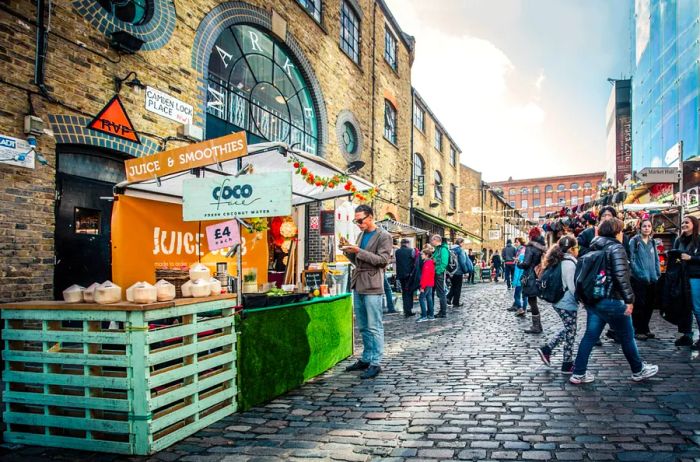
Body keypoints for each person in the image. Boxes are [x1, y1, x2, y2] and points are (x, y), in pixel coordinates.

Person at [570, 218, 659, 384]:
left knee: (589, 336)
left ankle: (578, 373)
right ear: (616, 231)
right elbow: (621, 277)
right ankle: (638, 369)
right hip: (612, 299)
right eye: (621, 230)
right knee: (627, 336)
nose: (622, 234)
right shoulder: (616, 248)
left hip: (595, 301)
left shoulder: (593, 247)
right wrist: (629, 300)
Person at [342, 205, 393, 379]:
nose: (358, 223)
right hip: (358, 283)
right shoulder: (361, 235)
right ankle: (366, 358)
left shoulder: (384, 236)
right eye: (356, 220)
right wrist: (349, 252)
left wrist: (359, 251)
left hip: (372, 285)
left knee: (374, 326)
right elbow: (358, 260)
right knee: (363, 326)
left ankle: (376, 363)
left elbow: (383, 260)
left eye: (360, 220)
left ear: (370, 217)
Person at [536, 235, 580, 374]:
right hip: (566, 302)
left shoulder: (560, 260)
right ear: (572, 249)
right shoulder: (569, 263)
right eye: (576, 247)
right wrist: (582, 300)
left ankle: (549, 350)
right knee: (571, 331)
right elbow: (572, 287)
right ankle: (566, 363)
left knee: (569, 329)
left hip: (560, 301)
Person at [628, 219, 661, 340]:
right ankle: (638, 330)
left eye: (649, 226)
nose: (646, 228)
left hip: (652, 278)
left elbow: (656, 258)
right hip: (638, 278)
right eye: (644, 226)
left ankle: (646, 328)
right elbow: (631, 259)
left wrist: (657, 273)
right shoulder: (634, 241)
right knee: (639, 305)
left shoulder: (652, 242)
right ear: (640, 228)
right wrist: (638, 272)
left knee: (649, 304)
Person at [673, 216, 700, 349]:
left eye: (687, 222)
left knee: (697, 307)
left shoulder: (698, 240)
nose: (684, 224)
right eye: (682, 222)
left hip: (695, 277)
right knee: (684, 307)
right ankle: (687, 335)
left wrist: (691, 258)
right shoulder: (679, 240)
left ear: (694, 224)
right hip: (681, 277)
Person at [517, 227, 547, 333]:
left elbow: (526, 263)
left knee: (532, 301)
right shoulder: (541, 247)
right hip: (538, 275)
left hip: (530, 276)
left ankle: (537, 326)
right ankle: (537, 325)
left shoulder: (530, 247)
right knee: (533, 301)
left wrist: (518, 263)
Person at [395, 238, 416, 318]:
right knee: (409, 292)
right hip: (409, 275)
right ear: (407, 243)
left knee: (404, 292)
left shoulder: (397, 252)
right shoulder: (411, 250)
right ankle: (408, 310)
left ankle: (406, 309)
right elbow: (414, 261)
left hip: (400, 274)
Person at [447, 238, 470, 307]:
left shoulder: (450, 249)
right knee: (458, 287)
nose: (463, 244)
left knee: (453, 286)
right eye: (463, 243)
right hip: (458, 271)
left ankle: (448, 298)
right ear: (460, 243)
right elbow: (462, 262)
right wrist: (466, 270)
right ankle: (455, 302)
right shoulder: (460, 250)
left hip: (451, 271)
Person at [431, 235, 450, 318]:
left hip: (439, 273)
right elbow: (434, 259)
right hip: (436, 273)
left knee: (441, 293)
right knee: (437, 292)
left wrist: (438, 271)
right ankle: (437, 311)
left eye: (432, 240)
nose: (431, 242)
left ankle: (443, 312)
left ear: (436, 240)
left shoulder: (443, 249)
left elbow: (444, 263)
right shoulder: (438, 249)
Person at [417, 247, 436, 322]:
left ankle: (424, 315)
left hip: (427, 284)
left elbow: (425, 276)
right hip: (430, 283)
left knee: (421, 298)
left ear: (427, 255)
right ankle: (431, 315)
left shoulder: (427, 263)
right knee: (429, 298)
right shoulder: (430, 262)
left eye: (422, 254)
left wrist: (422, 286)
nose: (421, 256)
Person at [511, 237, 529, 313]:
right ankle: (524, 309)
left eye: (517, 242)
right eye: (515, 242)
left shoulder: (521, 252)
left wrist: (515, 281)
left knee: (516, 295)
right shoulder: (525, 250)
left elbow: (519, 269)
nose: (515, 243)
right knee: (524, 295)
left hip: (520, 277)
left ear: (520, 242)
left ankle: (520, 308)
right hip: (525, 277)